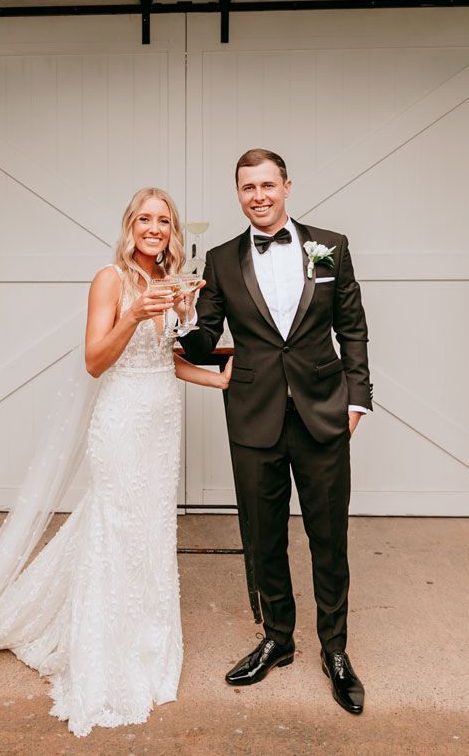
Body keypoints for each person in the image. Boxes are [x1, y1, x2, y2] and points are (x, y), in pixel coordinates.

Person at [0, 187, 232, 738]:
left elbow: (165, 361)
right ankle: (106, 656)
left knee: (150, 535)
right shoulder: (112, 281)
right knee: (116, 530)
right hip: (122, 427)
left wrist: (213, 376)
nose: (156, 229)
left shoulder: (171, 288)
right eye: (146, 219)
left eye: (165, 222)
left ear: (174, 234)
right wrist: (132, 313)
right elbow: (97, 360)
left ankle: (148, 647)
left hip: (160, 431)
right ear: (130, 227)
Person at [179, 149, 372, 715]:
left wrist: (356, 401)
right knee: (263, 537)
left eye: (268, 185)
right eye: (247, 188)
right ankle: (278, 639)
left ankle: (334, 650)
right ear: (238, 194)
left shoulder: (329, 245)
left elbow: (352, 328)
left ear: (287, 185)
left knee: (328, 539)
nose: (258, 196)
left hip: (322, 413)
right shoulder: (218, 259)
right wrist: (186, 318)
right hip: (253, 414)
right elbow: (204, 338)